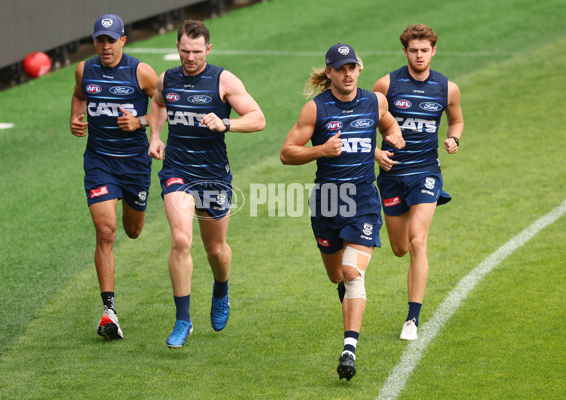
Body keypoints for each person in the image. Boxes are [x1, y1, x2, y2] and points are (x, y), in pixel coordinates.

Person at [280, 43, 404, 381]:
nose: (348, 73)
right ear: (330, 73)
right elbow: (287, 153)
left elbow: (388, 125)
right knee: (336, 275)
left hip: (363, 201)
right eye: (341, 68)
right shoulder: (315, 110)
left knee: (352, 272)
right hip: (327, 202)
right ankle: (349, 294)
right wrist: (320, 149)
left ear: (359, 69)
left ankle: (349, 349)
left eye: (352, 67)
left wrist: (390, 140)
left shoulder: (374, 101)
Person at [148, 19, 265, 348]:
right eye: (185, 51)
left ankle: (221, 289)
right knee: (181, 241)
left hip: (213, 176)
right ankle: (183, 320)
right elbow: (157, 103)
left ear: (208, 50)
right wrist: (155, 136)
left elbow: (258, 118)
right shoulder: (167, 79)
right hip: (177, 170)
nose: (190, 58)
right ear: (177, 48)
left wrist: (225, 122)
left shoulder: (222, 80)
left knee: (215, 250)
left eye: (197, 52)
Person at [372, 24, 464, 341]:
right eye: (414, 50)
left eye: (425, 50)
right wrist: (375, 153)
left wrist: (453, 138)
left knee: (417, 242)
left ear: (434, 51)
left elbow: (457, 119)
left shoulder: (447, 88)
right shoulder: (387, 84)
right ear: (405, 51)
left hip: (426, 173)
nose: (420, 55)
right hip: (393, 176)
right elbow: (363, 121)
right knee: (399, 249)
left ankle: (412, 319)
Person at [70, 13, 158, 340]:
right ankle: (109, 310)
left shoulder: (141, 72)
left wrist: (141, 122)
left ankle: (132, 213)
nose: (105, 47)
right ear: (94, 42)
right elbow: (80, 95)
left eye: (111, 40)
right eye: (100, 40)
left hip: (135, 164)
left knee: (132, 231)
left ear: (123, 40)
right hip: (99, 162)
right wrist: (76, 118)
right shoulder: (84, 70)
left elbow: (164, 106)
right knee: (105, 232)